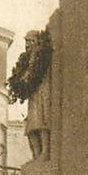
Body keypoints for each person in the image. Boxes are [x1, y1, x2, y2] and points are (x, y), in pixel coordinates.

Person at [22, 30, 52, 161]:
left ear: (36, 41)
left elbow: (41, 76)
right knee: (31, 127)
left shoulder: (41, 56)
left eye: (30, 41)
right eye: (26, 41)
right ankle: (36, 154)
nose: (27, 44)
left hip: (42, 93)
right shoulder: (28, 59)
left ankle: (44, 151)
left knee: (41, 122)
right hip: (32, 95)